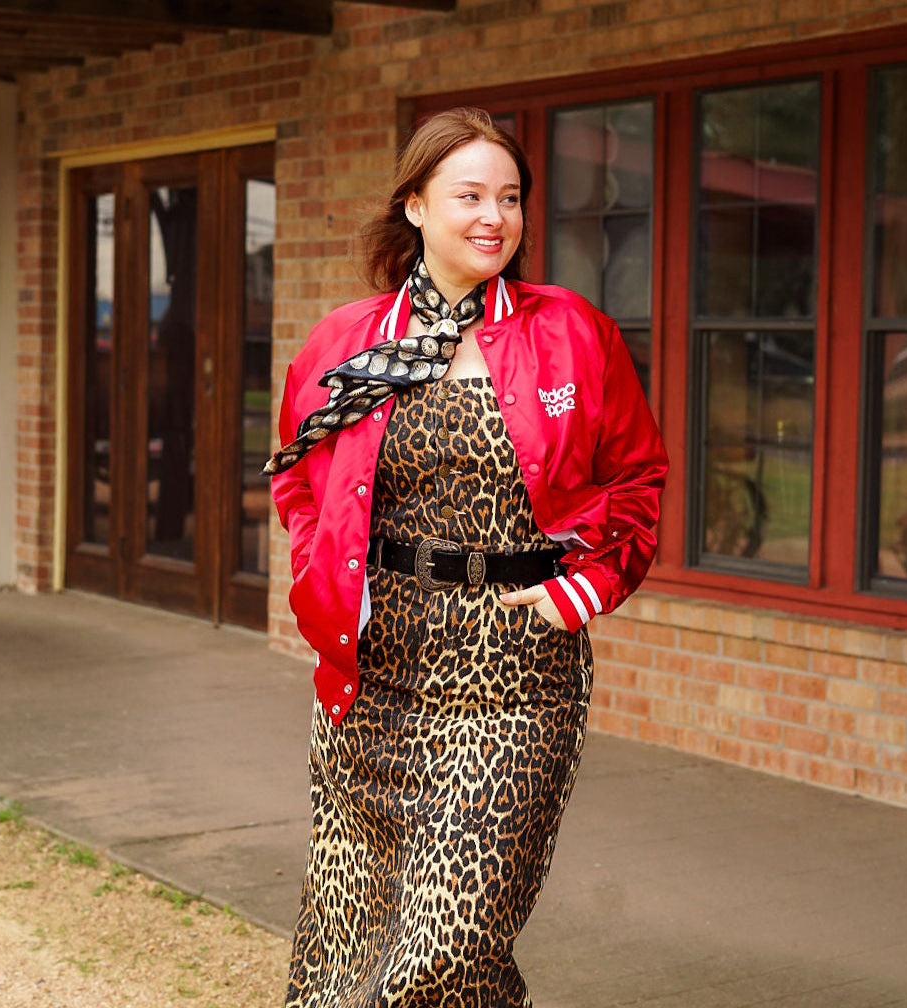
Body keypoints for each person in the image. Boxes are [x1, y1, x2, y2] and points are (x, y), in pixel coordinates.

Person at [268, 107, 667, 1008]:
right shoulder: (346, 342)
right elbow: (300, 484)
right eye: (470, 196)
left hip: (514, 677)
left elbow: (637, 478)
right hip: (372, 676)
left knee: (442, 954)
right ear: (413, 206)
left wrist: (587, 588)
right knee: (340, 958)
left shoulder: (573, 332)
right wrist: (324, 578)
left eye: (512, 198)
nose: (495, 217)